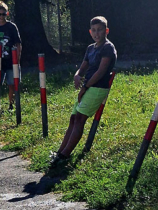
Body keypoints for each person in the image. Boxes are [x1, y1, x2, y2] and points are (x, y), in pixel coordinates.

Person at [49, 16, 116, 169]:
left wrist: (85, 87)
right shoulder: (90, 48)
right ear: (90, 32)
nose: (96, 33)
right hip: (88, 86)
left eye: (100, 30)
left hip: (98, 87)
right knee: (73, 119)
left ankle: (65, 155)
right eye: (94, 30)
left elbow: (100, 72)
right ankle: (59, 152)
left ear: (106, 31)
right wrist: (77, 74)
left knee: (80, 119)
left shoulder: (108, 47)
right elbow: (84, 66)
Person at [0, 1, 21, 113]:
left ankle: (11, 105)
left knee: (12, 83)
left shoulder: (11, 27)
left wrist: (18, 59)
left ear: (7, 14)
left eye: (3, 14)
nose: (1, 16)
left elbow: (18, 43)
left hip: (11, 61)